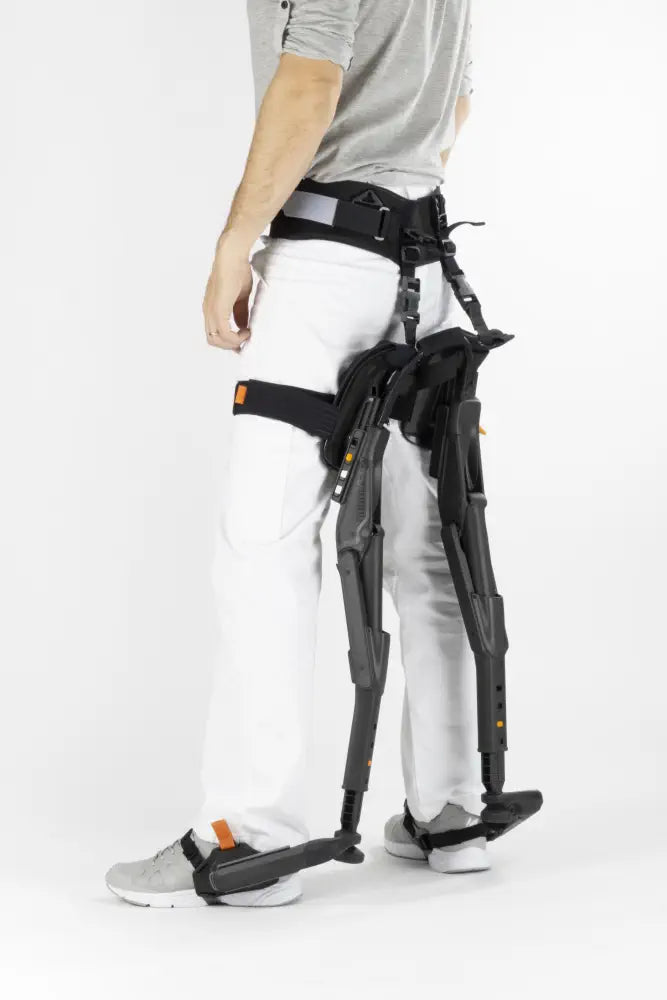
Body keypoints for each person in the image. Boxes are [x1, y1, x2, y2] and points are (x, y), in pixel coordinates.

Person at [106, 0, 488, 909]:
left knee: (265, 545)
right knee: (426, 550)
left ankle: (246, 837)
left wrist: (235, 242)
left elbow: (311, 77)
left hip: (324, 265)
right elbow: (455, 100)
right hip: (424, 264)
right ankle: (451, 811)